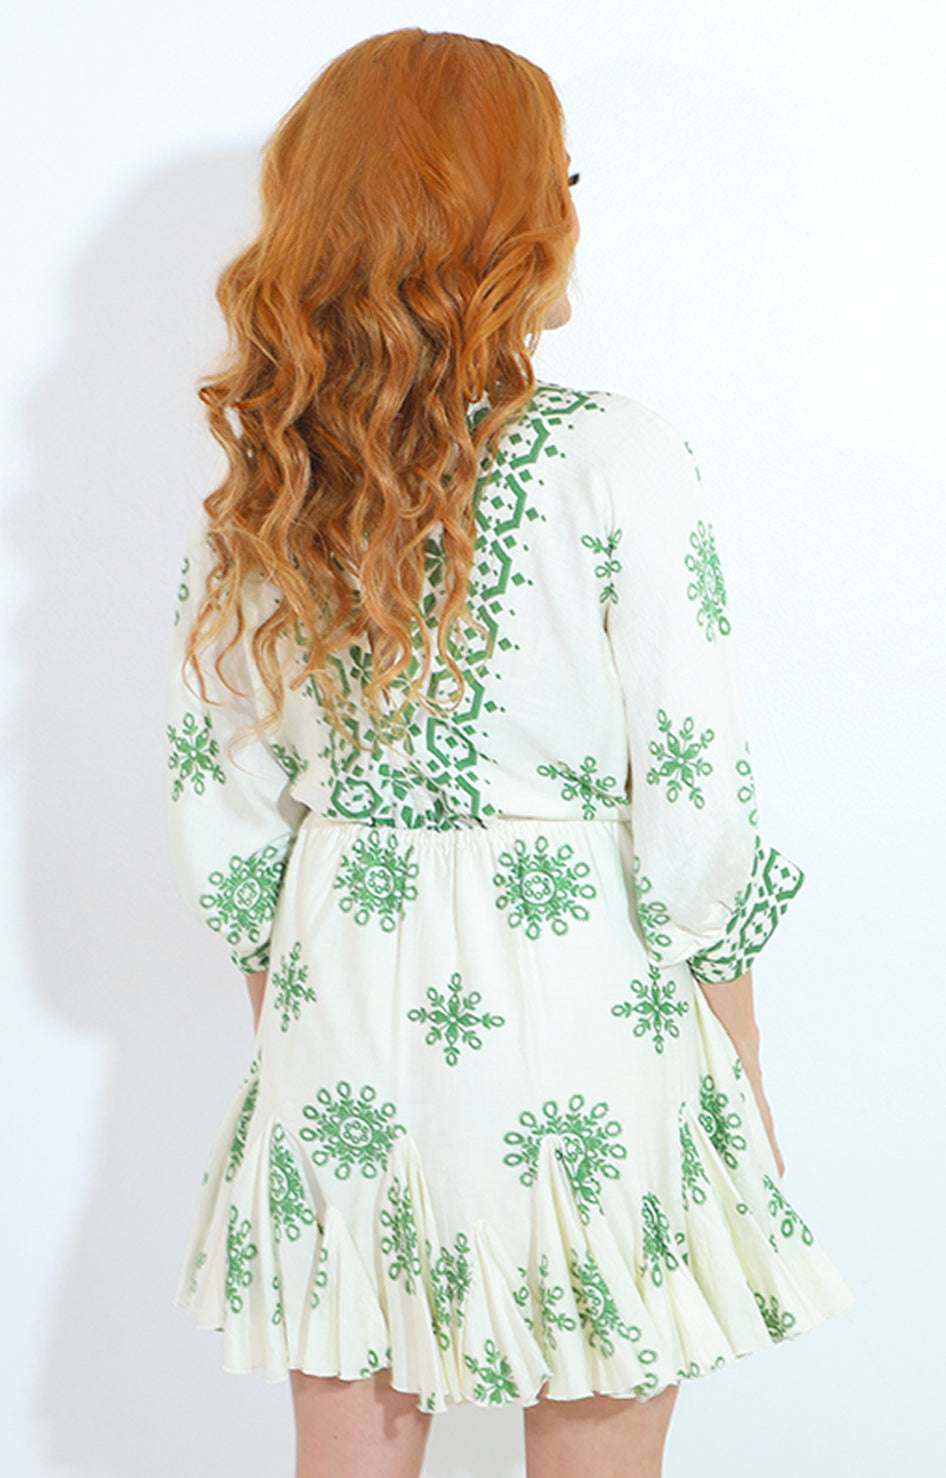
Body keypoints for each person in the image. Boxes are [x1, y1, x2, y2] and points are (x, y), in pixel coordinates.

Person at [166, 28, 855, 1478]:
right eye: (563, 182)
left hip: (339, 1010)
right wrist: (738, 1047)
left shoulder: (267, 490)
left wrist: (305, 1036)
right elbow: (692, 791)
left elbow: (226, 825)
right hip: (582, 1009)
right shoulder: (619, 458)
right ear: (513, 218)